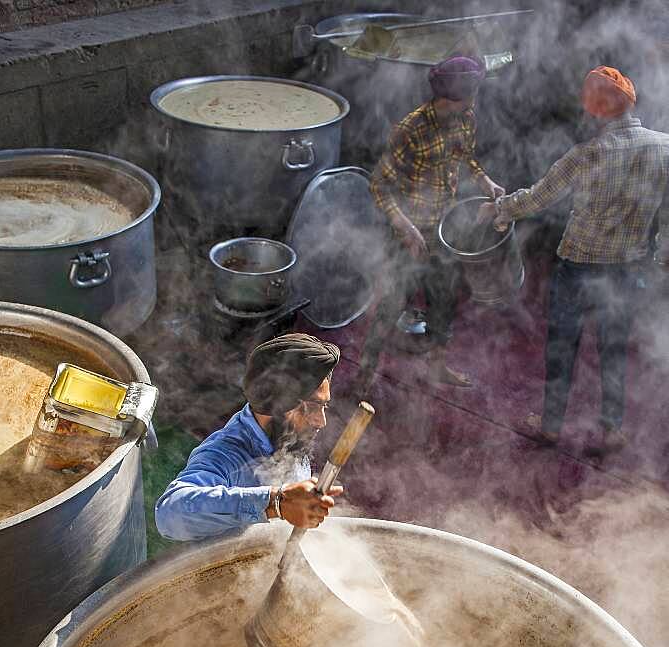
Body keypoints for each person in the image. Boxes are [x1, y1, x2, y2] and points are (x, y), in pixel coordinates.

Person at [480, 66, 669, 452]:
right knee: (614, 348)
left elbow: (536, 198)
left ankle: (551, 426)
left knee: (562, 346)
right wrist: (662, 253)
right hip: (627, 267)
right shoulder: (664, 147)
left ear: (595, 110)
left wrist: (499, 208)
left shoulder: (585, 155)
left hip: (577, 266)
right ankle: (611, 429)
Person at [360, 53, 506, 389]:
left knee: (444, 300)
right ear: (455, 96)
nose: (475, 99)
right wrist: (407, 229)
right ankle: (364, 375)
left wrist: (487, 183)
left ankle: (437, 366)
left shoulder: (466, 117)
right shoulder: (410, 128)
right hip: (406, 233)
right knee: (391, 305)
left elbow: (465, 157)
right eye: (473, 92)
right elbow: (378, 186)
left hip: (443, 228)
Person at [155, 333, 343, 541]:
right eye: (313, 407)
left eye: (324, 406)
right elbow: (169, 514)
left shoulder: (289, 439)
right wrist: (276, 503)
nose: (321, 421)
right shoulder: (225, 452)